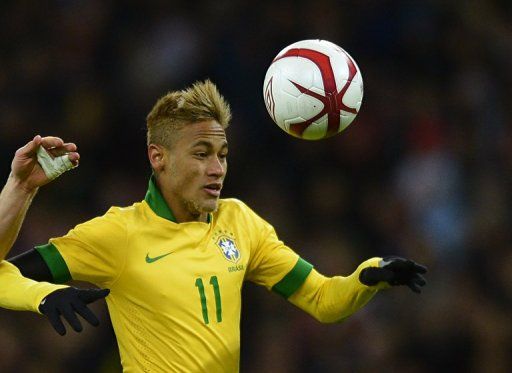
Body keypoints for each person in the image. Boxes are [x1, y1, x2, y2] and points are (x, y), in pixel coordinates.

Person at [0, 80, 427, 372]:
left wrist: (367, 277)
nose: (217, 169)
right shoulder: (118, 234)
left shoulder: (241, 222)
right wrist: (40, 292)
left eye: (222, 154)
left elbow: (322, 300)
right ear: (158, 157)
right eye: (202, 153)